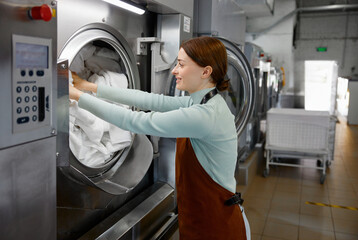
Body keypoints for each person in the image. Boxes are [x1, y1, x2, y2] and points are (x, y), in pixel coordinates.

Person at [69, 36, 249, 239]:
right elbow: (151, 100)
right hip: (206, 215)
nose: (174, 71)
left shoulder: (204, 116)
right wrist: (89, 86)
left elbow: (135, 121)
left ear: (205, 72)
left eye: (181, 65)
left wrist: (77, 97)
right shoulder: (204, 103)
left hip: (217, 226)